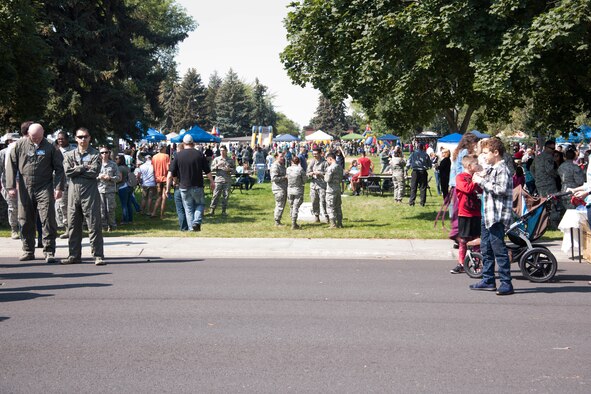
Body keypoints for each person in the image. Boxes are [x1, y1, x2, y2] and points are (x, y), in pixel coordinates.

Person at [6, 123, 64, 262]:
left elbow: (59, 168)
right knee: (25, 219)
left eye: (39, 137)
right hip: (25, 187)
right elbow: (11, 166)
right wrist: (11, 186)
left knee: (48, 219)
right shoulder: (19, 145)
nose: (36, 140)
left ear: (43, 133)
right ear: (28, 134)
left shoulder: (51, 146)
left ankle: (49, 251)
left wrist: (59, 188)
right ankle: (28, 250)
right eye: (33, 137)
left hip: (45, 186)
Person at [470, 137, 514, 295]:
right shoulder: (493, 168)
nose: (485, 155)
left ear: (496, 153)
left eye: (487, 153)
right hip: (487, 214)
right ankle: (488, 280)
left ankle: (506, 283)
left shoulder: (503, 169)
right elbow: (484, 176)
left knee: (498, 249)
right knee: (486, 248)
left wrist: (481, 182)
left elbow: (500, 189)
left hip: (496, 216)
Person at [60, 127, 105, 265]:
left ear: (89, 138)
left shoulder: (96, 154)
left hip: (90, 193)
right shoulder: (69, 154)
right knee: (73, 225)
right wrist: (83, 167)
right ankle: (74, 255)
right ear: (75, 138)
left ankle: (97, 255)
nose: (83, 139)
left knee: (94, 224)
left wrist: (77, 169)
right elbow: (67, 171)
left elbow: (94, 172)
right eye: (80, 137)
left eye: (85, 136)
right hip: (73, 193)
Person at [168, 134, 214, 232]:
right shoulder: (199, 154)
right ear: (193, 143)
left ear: (183, 143)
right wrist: (212, 182)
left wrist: (172, 184)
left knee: (188, 208)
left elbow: (171, 174)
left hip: (183, 186)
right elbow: (207, 171)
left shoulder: (178, 155)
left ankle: (191, 229)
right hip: (197, 185)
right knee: (200, 204)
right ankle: (196, 222)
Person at [450, 154, 482, 274]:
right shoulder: (460, 177)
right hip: (465, 213)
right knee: (463, 240)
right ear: (469, 166)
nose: (478, 166)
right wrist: (475, 180)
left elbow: (481, 190)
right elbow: (467, 189)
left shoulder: (477, 178)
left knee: (476, 240)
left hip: (476, 212)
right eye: (476, 164)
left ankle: (477, 263)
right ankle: (461, 263)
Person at [0, 132, 20, 239]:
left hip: (21, 184)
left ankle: (23, 229)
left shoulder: (21, 151)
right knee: (12, 207)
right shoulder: (3, 153)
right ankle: (14, 229)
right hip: (8, 184)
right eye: (13, 141)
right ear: (8, 141)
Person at [97, 148, 120, 232]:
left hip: (110, 190)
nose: (104, 154)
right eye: (102, 153)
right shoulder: (97, 165)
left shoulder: (113, 165)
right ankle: (103, 226)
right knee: (101, 209)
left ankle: (112, 226)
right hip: (100, 190)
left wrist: (110, 178)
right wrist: (99, 177)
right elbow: (91, 177)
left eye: (106, 152)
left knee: (110, 208)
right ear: (99, 154)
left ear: (109, 154)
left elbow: (118, 177)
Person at [55, 130, 73, 233]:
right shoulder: (55, 151)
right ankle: (66, 228)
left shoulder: (74, 150)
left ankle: (75, 228)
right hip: (59, 183)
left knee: (73, 206)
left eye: (62, 138)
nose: (60, 140)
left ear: (67, 139)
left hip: (72, 182)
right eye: (58, 139)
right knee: (62, 206)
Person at [208, 145, 235, 216]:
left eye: (223, 150)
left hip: (227, 180)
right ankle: (212, 210)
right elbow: (211, 169)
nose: (222, 152)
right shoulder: (217, 159)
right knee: (215, 195)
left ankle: (223, 211)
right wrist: (217, 165)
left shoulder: (230, 160)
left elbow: (234, 170)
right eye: (221, 151)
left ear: (226, 151)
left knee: (226, 196)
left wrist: (230, 170)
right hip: (218, 180)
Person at [307, 148, 329, 222]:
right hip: (313, 185)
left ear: (320, 153)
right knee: (314, 201)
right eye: (313, 154)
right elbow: (307, 172)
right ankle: (316, 216)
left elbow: (328, 174)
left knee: (323, 201)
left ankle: (327, 216)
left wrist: (320, 173)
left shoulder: (324, 163)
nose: (314, 155)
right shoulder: (312, 162)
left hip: (322, 185)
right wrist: (311, 174)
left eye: (316, 154)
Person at [151, 143, 171, 219]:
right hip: (165, 178)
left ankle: (154, 212)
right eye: (165, 148)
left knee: (158, 196)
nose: (166, 149)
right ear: (163, 148)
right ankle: (162, 214)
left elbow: (153, 168)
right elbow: (168, 167)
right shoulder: (166, 156)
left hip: (157, 179)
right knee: (164, 196)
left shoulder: (154, 157)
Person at [286, 156, 307, 229]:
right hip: (298, 189)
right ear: (299, 162)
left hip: (289, 189)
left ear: (291, 162)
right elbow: (305, 180)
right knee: (295, 207)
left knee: (291, 206)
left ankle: (293, 220)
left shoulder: (288, 169)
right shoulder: (300, 169)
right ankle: (293, 223)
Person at [324, 152, 343, 228]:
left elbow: (327, 179)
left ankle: (333, 224)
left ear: (330, 159)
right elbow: (341, 178)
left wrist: (324, 175)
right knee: (338, 206)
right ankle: (340, 223)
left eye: (327, 160)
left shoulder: (330, 168)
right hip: (337, 188)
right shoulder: (339, 167)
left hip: (331, 190)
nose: (327, 162)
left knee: (330, 206)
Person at [116, 154, 134, 225]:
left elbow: (120, 179)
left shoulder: (120, 168)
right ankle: (130, 219)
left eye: (117, 158)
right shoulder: (127, 167)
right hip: (129, 186)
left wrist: (113, 180)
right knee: (129, 204)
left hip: (122, 187)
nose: (116, 160)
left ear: (120, 160)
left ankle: (125, 220)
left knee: (124, 205)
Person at [270, 152, 287, 226]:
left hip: (283, 187)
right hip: (278, 188)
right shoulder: (275, 166)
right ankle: (277, 221)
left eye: (283, 156)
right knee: (279, 205)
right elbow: (274, 178)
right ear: (276, 157)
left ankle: (278, 220)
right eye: (281, 156)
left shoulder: (282, 165)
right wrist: (284, 177)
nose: (282, 158)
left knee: (281, 205)